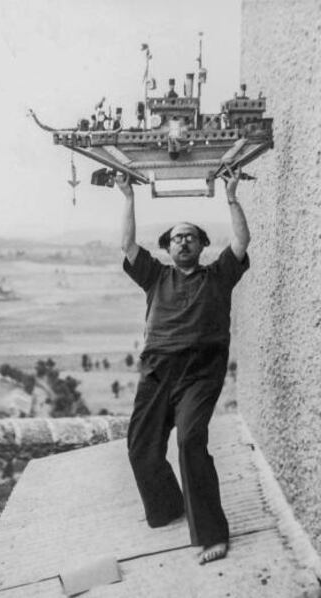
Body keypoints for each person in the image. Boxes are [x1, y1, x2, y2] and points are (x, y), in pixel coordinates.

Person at [117, 169, 250, 565]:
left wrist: (231, 196)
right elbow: (127, 244)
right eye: (177, 237)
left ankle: (212, 533)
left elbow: (242, 241)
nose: (184, 241)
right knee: (141, 446)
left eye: (191, 236)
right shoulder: (156, 276)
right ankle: (168, 507)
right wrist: (127, 197)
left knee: (190, 441)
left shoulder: (218, 276)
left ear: (202, 245)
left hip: (200, 371)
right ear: (169, 248)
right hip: (157, 370)